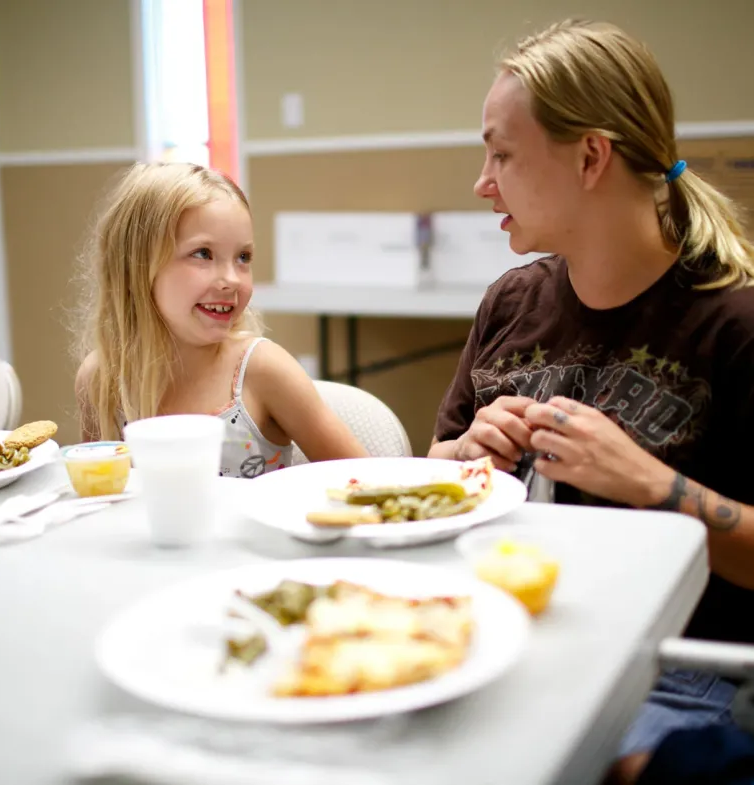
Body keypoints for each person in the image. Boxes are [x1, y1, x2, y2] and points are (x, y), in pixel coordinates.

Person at [428, 19, 754, 784]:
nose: (482, 181)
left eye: (501, 153)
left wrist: (651, 484)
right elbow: (434, 473)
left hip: (674, 671)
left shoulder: (733, 325)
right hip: (510, 639)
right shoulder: (510, 302)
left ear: (590, 156)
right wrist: (462, 457)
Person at [74, 162, 367, 478]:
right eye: (203, 254)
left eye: (243, 258)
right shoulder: (101, 380)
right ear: (136, 266)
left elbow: (370, 483)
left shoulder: (263, 371)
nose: (231, 280)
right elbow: (100, 501)